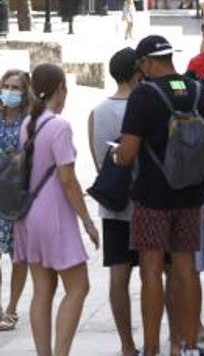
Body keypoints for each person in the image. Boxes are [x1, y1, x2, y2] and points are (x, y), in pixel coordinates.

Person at [113, 35, 204, 356]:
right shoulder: (201, 91)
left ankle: (152, 349)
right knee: (186, 268)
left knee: (151, 269)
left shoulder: (143, 96)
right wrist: (200, 183)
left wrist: (117, 155)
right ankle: (187, 345)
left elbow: (129, 151)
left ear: (146, 63)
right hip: (190, 196)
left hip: (151, 197)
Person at [13, 64, 98, 356]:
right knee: (78, 286)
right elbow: (68, 179)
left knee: (42, 290)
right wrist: (87, 220)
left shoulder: (28, 123)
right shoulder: (60, 126)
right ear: (60, 89)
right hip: (54, 215)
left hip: (28, 214)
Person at [88, 51, 141, 356]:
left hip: (114, 205)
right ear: (138, 71)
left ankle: (126, 345)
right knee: (154, 271)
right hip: (146, 204)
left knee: (118, 275)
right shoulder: (144, 105)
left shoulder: (97, 111)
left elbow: (99, 164)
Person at [0, 70, 28, 334]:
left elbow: (35, 155)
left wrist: (17, 156)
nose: (9, 91)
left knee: (18, 256)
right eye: (6, 86)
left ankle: (12, 307)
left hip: (18, 197)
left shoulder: (28, 122)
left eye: (16, 88)